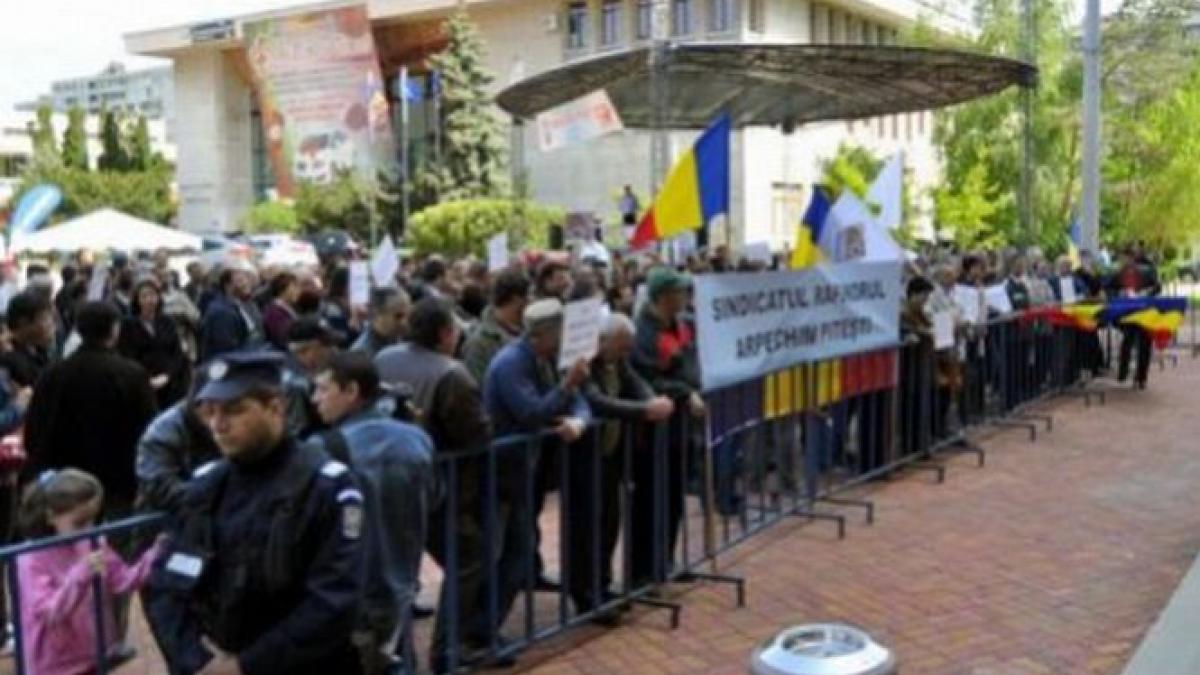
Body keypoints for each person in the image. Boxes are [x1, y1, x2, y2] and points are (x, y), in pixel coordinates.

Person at [146, 350, 367, 675]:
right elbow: (166, 585)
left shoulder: (325, 487)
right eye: (209, 411)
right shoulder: (205, 487)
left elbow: (334, 600)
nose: (218, 424)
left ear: (275, 408)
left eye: (234, 410)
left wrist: (245, 666)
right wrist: (199, 662)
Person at [374, 298, 494, 672]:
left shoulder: (384, 358)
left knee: (398, 571)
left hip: (391, 482)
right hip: (442, 488)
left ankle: (399, 657)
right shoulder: (453, 374)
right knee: (467, 559)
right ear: (444, 333)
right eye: (454, 329)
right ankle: (445, 652)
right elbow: (476, 434)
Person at [311, 352, 435, 673]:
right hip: (402, 580)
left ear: (351, 391)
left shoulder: (324, 449)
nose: (315, 399)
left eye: (323, 389)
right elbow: (435, 496)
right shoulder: (417, 438)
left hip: (354, 588)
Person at [484, 298, 591, 649]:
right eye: (560, 333)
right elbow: (532, 412)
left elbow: (577, 402)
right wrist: (567, 386)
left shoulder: (544, 360)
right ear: (543, 334)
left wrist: (578, 419)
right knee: (504, 553)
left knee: (517, 550)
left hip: (522, 470)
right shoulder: (512, 364)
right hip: (502, 472)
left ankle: (485, 630)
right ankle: (480, 631)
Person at [568, 313, 673, 619]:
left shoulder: (618, 362)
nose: (626, 353)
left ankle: (602, 585)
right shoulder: (584, 363)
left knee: (609, 523)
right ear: (602, 341)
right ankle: (586, 594)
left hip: (610, 455)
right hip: (585, 458)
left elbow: (635, 382)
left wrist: (652, 400)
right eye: (621, 347)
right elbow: (597, 401)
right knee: (586, 528)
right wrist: (645, 410)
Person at [16, 469, 164, 675]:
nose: (89, 529)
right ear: (50, 516)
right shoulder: (30, 559)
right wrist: (80, 575)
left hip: (94, 654)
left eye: (94, 520)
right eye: (79, 523)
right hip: (54, 665)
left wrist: (156, 554)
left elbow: (124, 580)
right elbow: (49, 612)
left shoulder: (92, 543)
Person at [24, 301, 158, 521]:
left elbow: (34, 433)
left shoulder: (53, 375)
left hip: (64, 487)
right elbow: (149, 431)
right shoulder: (131, 374)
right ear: (114, 329)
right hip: (118, 485)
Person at [629, 267, 705, 587]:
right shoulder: (643, 335)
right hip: (654, 432)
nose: (685, 296)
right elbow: (646, 379)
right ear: (663, 296)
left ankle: (666, 559)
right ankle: (642, 570)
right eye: (679, 291)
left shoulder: (681, 325)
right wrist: (685, 393)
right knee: (650, 499)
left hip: (680, 428)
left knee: (674, 497)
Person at [118, 277, 190, 409]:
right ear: (137, 300)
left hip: (171, 383)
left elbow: (177, 352)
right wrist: (148, 379)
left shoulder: (167, 321)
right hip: (143, 385)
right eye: (144, 296)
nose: (149, 300)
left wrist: (167, 375)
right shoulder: (128, 325)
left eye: (152, 295)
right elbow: (127, 356)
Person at [460, 270, 529, 385]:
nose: (531, 302)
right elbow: (478, 387)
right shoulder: (478, 344)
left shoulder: (528, 330)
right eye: (527, 298)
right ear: (516, 300)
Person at [284, 317, 339, 438]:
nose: (301, 358)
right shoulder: (297, 387)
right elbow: (298, 434)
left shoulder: (347, 365)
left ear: (324, 344)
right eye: (296, 353)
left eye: (305, 350)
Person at [198, 265, 264, 362]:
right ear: (228, 286)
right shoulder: (221, 312)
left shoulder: (245, 304)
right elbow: (226, 350)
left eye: (247, 279)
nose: (247, 283)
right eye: (240, 281)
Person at [0, 291, 57, 388]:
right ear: (23, 323)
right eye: (45, 318)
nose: (51, 324)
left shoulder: (37, 349)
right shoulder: (8, 359)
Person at [350, 287, 411, 358]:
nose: (404, 322)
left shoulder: (406, 338)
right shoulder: (362, 354)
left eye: (408, 315)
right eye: (398, 316)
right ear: (377, 315)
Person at [262, 272, 302, 351]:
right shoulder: (274, 312)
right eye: (294, 287)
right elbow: (281, 341)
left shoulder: (290, 308)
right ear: (282, 289)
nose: (298, 291)